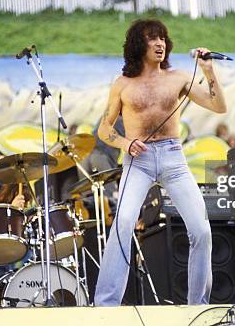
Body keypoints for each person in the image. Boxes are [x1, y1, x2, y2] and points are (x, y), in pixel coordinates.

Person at [93, 19, 227, 306]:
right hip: (137, 160)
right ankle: (105, 304)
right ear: (138, 45)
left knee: (201, 229)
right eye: (152, 39)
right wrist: (125, 142)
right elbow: (105, 129)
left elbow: (219, 106)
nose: (160, 43)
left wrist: (208, 70)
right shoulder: (123, 84)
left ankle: (197, 305)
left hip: (173, 157)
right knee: (124, 221)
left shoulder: (178, 77)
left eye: (163, 38)